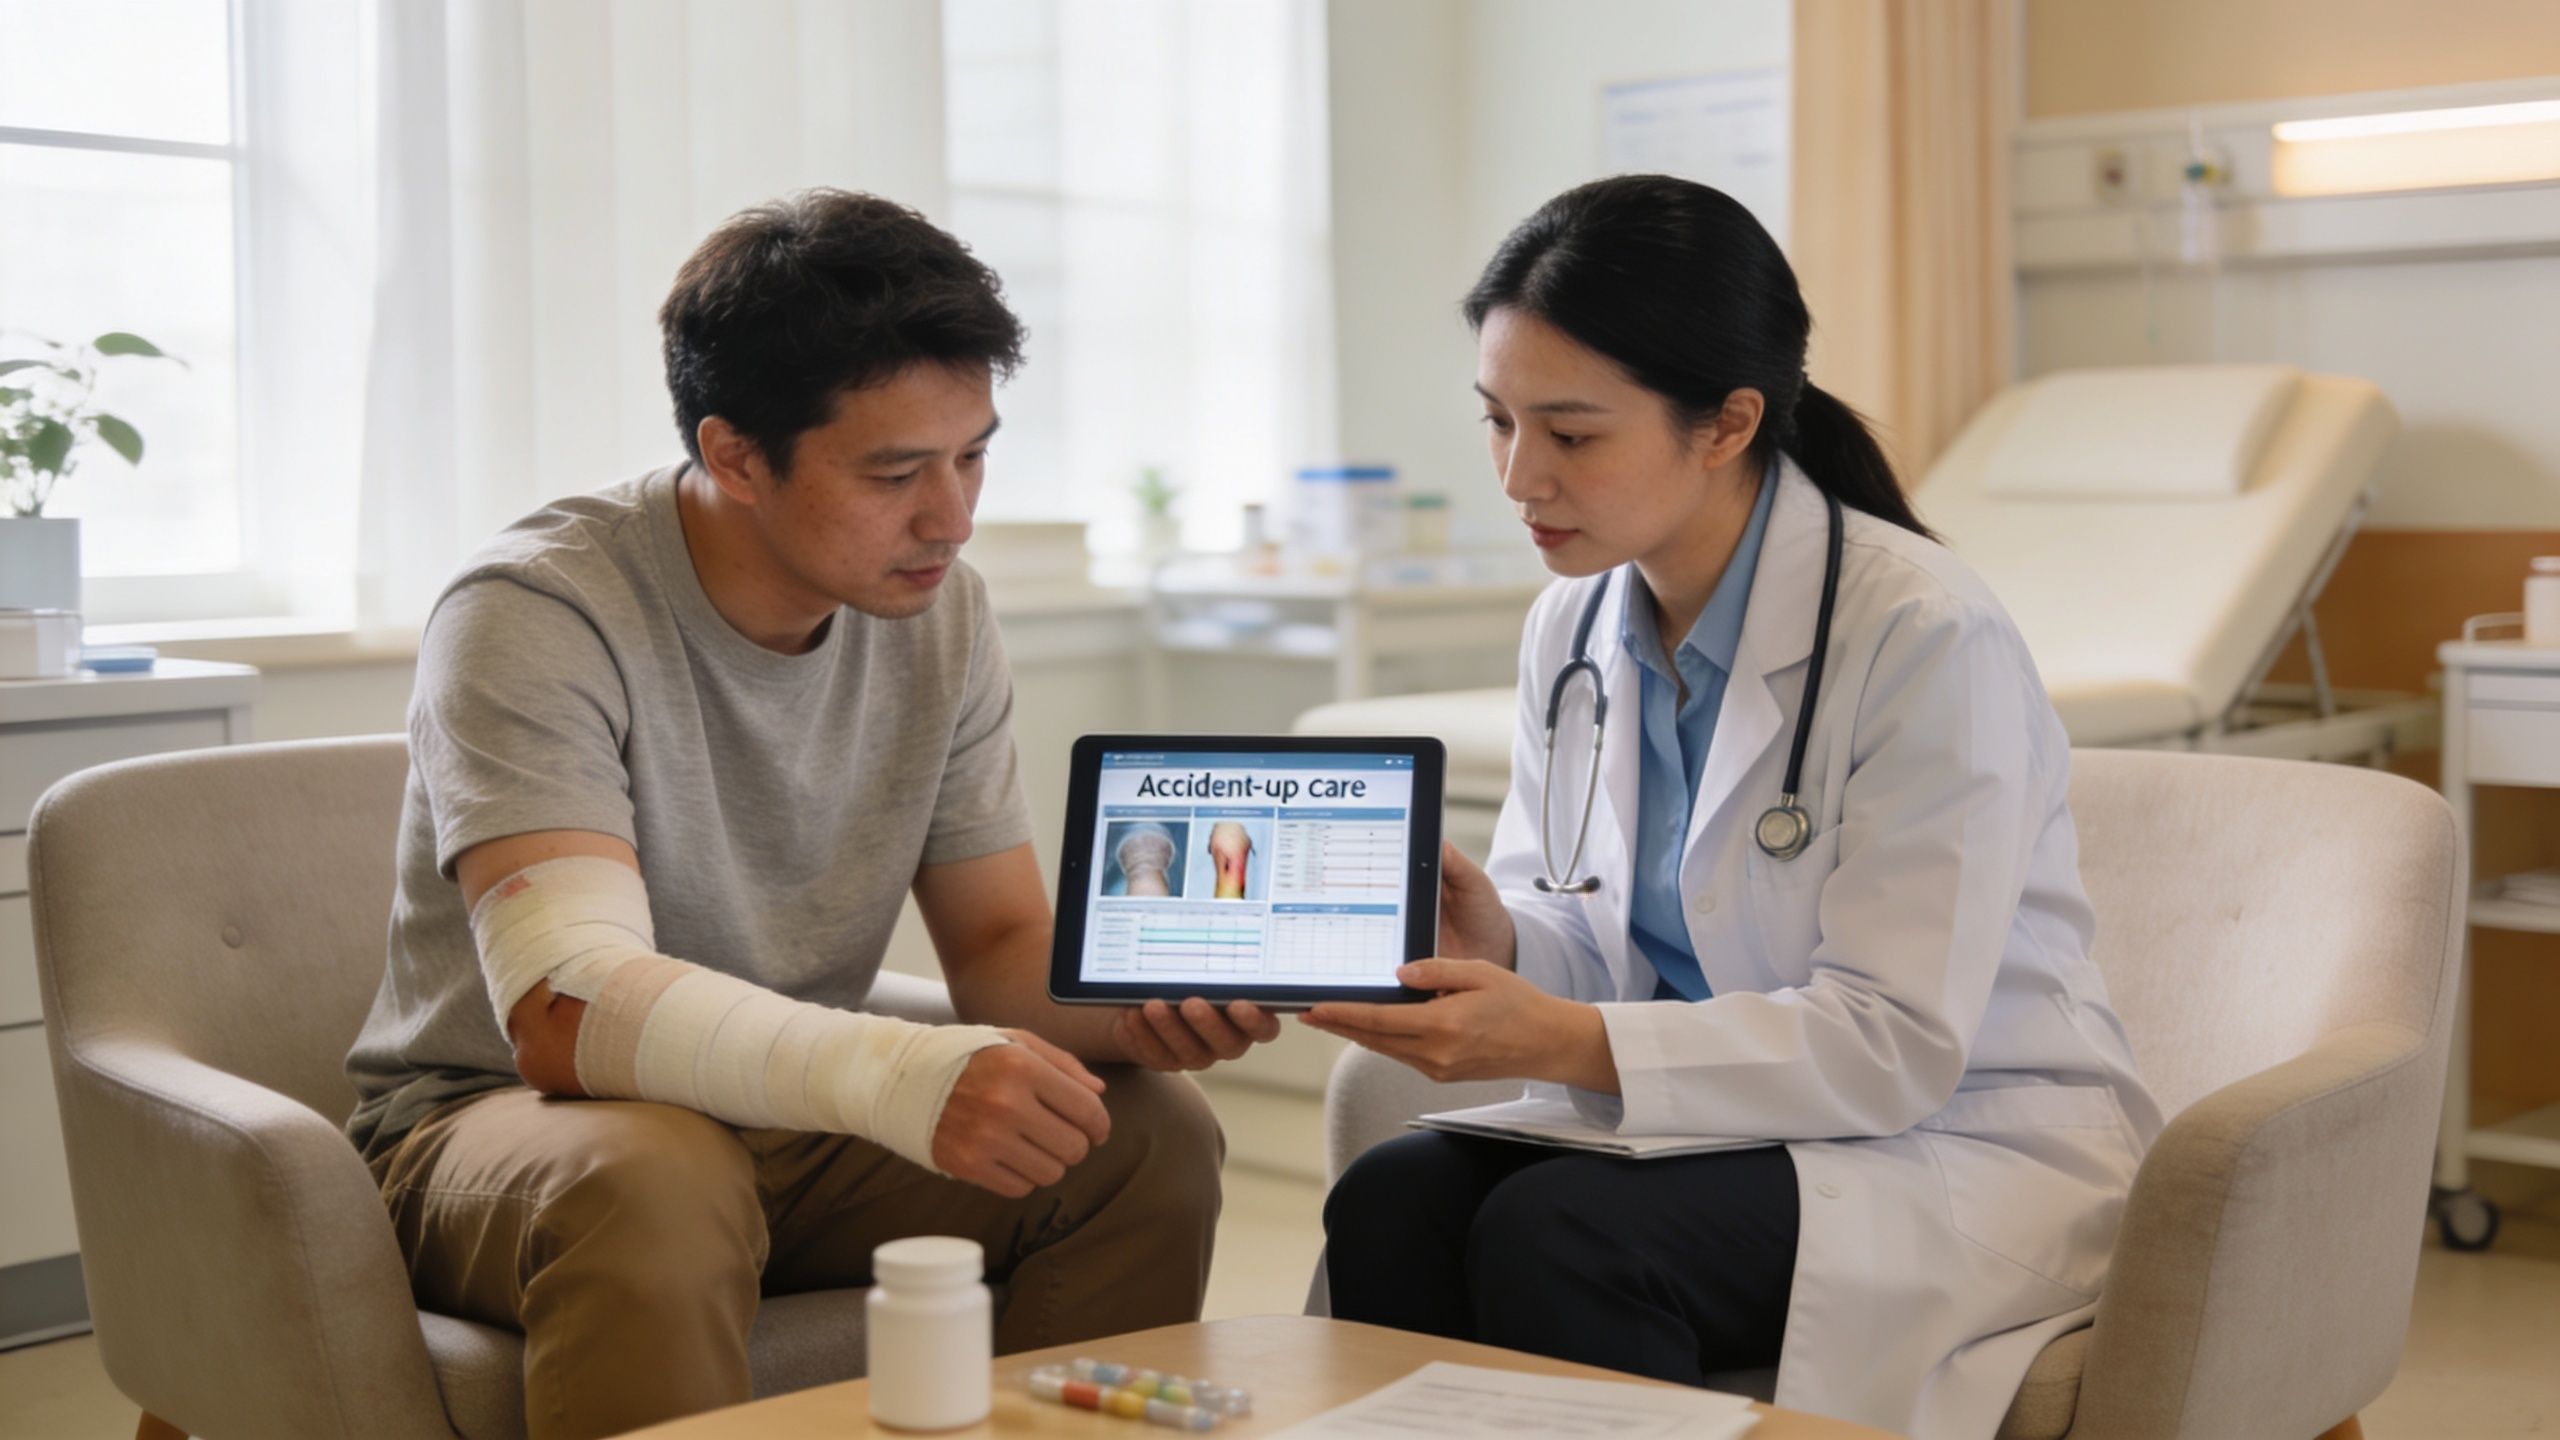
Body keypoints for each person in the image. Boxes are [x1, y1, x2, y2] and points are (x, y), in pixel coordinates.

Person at [343, 189, 1279, 1440]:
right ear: (734, 455)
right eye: (895, 471)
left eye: (973, 455)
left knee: (1139, 1132)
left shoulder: (937, 609)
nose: (949, 517)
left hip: (787, 1116)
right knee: (658, 1177)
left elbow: (1001, 952)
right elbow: (565, 1009)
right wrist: (894, 1071)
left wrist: (1176, 992)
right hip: (506, 1124)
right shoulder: (534, 609)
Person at [1303, 175, 2162, 1440]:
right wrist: (1502, 946)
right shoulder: (1577, 620)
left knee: (1566, 1236)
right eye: (1496, 422)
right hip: (1708, 1127)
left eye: (1572, 433)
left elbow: (1891, 1042)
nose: (1517, 475)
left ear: (1725, 423)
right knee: (1392, 1196)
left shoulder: (1924, 633)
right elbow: (1598, 934)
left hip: (1960, 1138)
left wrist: (1553, 1042)